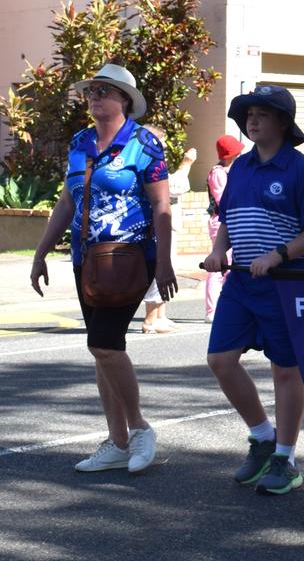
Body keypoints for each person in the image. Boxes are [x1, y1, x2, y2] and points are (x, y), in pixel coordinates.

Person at [30, 63, 173, 475]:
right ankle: (117, 441)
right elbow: (67, 200)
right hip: (86, 260)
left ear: (124, 99)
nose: (94, 97)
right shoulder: (79, 142)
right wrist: (41, 251)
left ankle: (140, 428)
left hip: (129, 258)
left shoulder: (144, 143)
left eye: (103, 91)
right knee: (100, 350)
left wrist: (163, 262)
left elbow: (161, 205)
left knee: (106, 344)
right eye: (91, 91)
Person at [203, 84, 304, 495]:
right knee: (220, 360)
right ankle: (261, 437)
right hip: (241, 282)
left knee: (286, 370)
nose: (252, 120)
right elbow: (227, 220)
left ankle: (286, 458)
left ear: (283, 122)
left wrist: (279, 254)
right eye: (248, 114)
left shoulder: (299, 169)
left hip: (286, 285)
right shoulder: (240, 168)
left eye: (262, 114)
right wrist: (217, 251)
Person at [140, 126, 195, 334]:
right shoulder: (146, 162)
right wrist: (186, 164)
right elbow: (175, 187)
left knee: (166, 270)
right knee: (159, 269)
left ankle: (160, 315)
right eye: (160, 142)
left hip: (166, 226)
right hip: (157, 227)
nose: (163, 146)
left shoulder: (154, 161)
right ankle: (150, 319)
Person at [205, 134, 244, 323]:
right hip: (220, 222)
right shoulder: (219, 172)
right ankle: (211, 311)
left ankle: (225, 306)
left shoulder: (232, 170)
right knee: (217, 265)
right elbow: (223, 200)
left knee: (229, 268)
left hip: (229, 221)